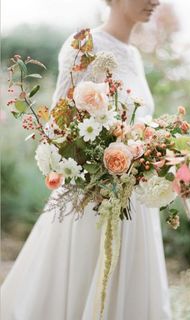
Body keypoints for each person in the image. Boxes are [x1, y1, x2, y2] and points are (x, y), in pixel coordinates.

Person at [1, 0, 172, 319]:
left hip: (132, 199)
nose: (156, 1)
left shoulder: (133, 54)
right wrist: (100, 158)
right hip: (92, 195)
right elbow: (59, 124)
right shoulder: (84, 44)